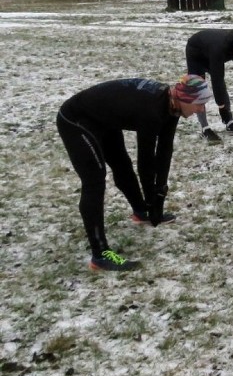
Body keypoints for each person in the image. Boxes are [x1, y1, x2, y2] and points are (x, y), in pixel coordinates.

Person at [56, 75, 214, 271]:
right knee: (94, 180)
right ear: (184, 99)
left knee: (122, 165)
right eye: (199, 104)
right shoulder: (151, 111)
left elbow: (164, 152)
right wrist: (152, 199)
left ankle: (141, 212)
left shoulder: (172, 106)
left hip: (104, 120)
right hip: (75, 120)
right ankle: (100, 255)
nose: (201, 110)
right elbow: (146, 163)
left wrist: (159, 197)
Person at [185, 29, 233, 144]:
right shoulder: (220, 47)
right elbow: (217, 79)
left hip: (211, 52)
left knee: (221, 86)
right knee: (198, 89)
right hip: (196, 52)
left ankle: (229, 122)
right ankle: (205, 128)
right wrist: (221, 106)